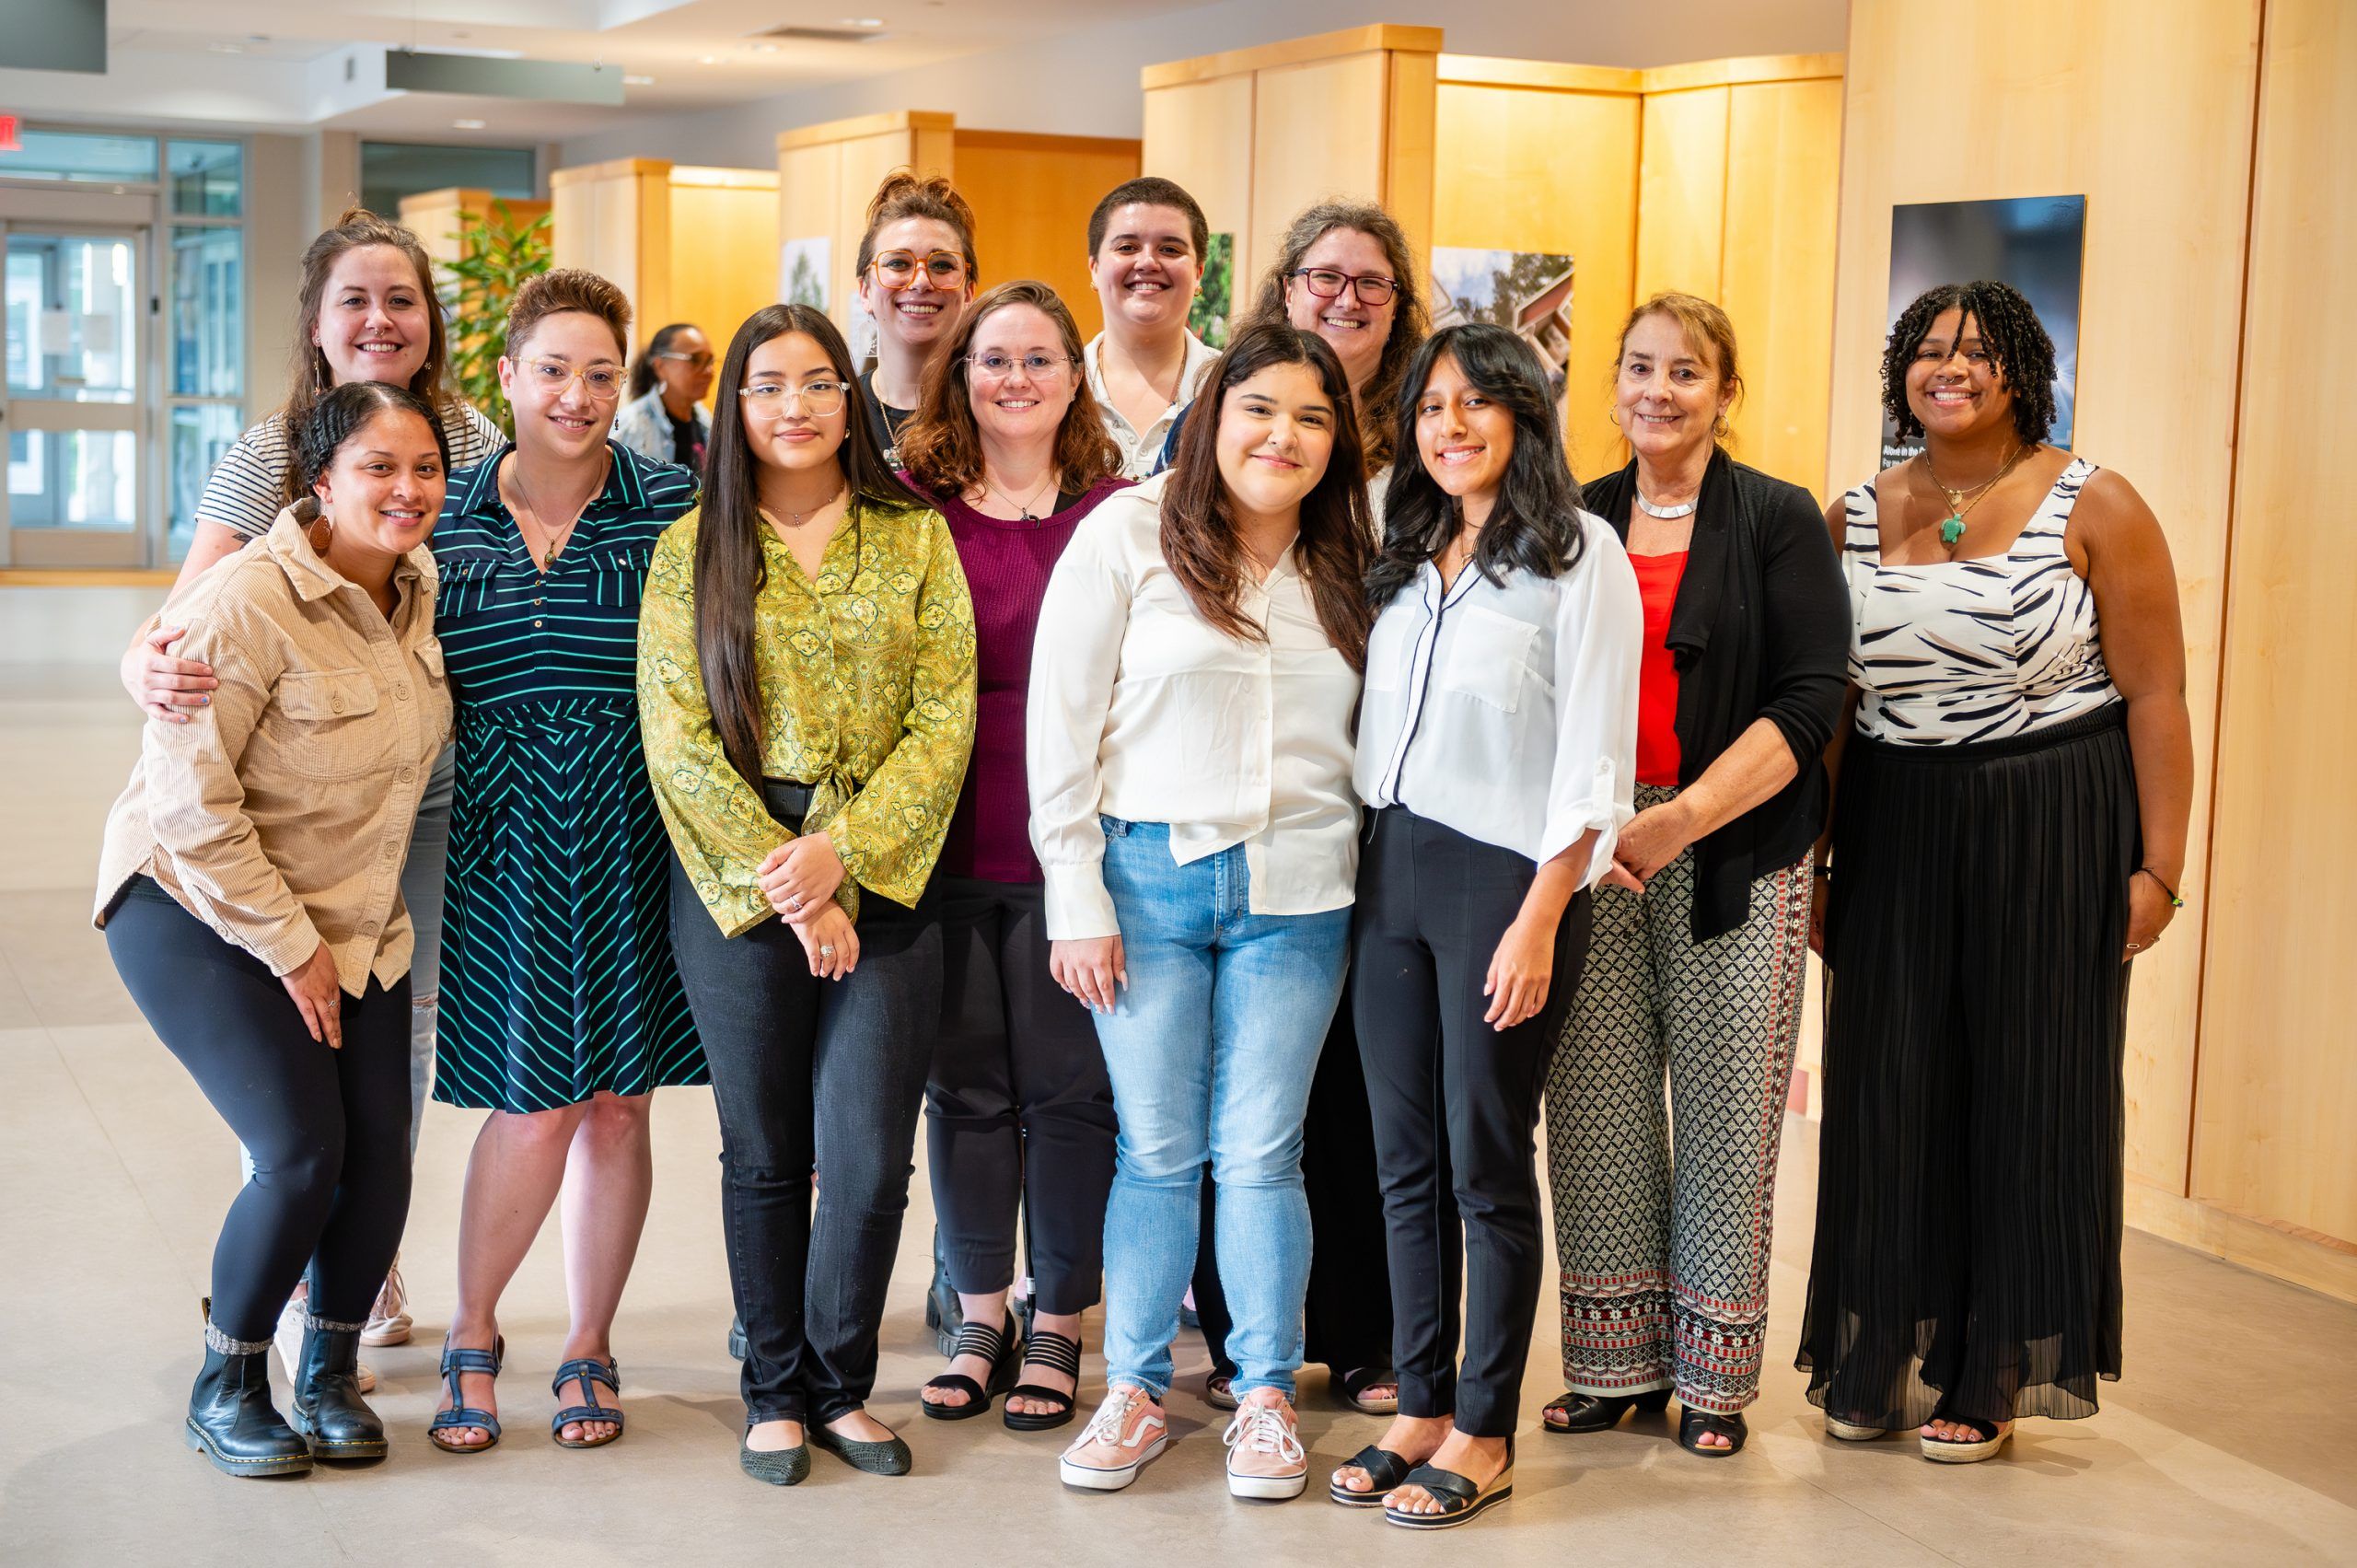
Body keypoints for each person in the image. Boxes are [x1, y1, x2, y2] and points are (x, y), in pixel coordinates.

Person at [1798, 281, 2193, 1463]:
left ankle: (1993, 1366)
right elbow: (1832, 709)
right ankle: (1876, 1348)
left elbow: (2157, 695)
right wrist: (1816, 860)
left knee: (2029, 1092)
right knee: (1886, 1089)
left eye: (1977, 350)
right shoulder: (1850, 514)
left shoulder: (2097, 501)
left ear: (2021, 368)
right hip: (1892, 823)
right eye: (1928, 350)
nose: (1950, 367)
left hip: (2051, 821)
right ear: (1899, 372)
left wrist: (2159, 867)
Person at [114, 207, 502, 1378]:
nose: (381, 320)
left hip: (421, 782)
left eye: (402, 299)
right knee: (295, 1072)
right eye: (355, 300)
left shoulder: (474, 440)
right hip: (294, 789)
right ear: (317, 322)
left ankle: (358, 1268)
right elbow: (188, 623)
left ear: (431, 319)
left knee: (396, 1051)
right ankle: (283, 1284)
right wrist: (141, 663)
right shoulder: (270, 448)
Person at [1031, 322, 1376, 1500]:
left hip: (1302, 889)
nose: (1284, 435)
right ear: (1213, 416)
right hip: (1145, 879)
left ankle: (1264, 1397)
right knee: (1158, 1149)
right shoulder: (1126, 531)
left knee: (1265, 1151)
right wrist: (1074, 893)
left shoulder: (1352, 558)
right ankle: (1133, 1388)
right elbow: (1059, 724)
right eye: (1259, 408)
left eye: (1313, 417)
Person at [638, 302, 977, 1485]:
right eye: (770, 384)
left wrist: (845, 854)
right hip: (740, 878)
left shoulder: (914, 536)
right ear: (735, 405)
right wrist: (793, 880)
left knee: (871, 1155)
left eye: (820, 382)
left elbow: (945, 716)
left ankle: (841, 1384)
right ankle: (774, 1389)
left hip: (887, 870)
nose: (797, 406)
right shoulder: (691, 547)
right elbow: (678, 739)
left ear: (851, 398)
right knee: (766, 1147)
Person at [94, 381, 453, 1477]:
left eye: (425, 468)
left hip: (353, 913)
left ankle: (329, 1373)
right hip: (193, 903)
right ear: (321, 481)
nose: (407, 489)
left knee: (381, 1154)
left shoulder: (419, 587)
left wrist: (324, 937)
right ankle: (230, 1381)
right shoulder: (244, 599)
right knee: (301, 1151)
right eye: (378, 467)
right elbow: (189, 806)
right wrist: (290, 946)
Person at [1331, 323, 1639, 1528]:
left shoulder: (1579, 553)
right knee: (1401, 1157)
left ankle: (1486, 1423)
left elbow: (1595, 756)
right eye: (1428, 407)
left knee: (1485, 1158)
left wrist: (1540, 915)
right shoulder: (1406, 553)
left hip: (1500, 877)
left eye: (1473, 403)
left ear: (1522, 413)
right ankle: (1419, 1401)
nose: (1448, 427)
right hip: (1386, 867)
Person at [1538, 294, 1848, 1458]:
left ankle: (1712, 1378)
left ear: (1724, 392)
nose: (1657, 391)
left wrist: (1683, 818)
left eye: (1684, 371)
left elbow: (1812, 695)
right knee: (1594, 1108)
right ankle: (1612, 1369)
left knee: (1727, 1116)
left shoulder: (1776, 515)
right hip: (1591, 851)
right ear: (1612, 383)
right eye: (1638, 367)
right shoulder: (1572, 517)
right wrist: (1593, 829)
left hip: (1737, 846)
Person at [423, 271, 703, 1455]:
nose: (576, 395)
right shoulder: (442, 513)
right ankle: (472, 1327)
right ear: (506, 375)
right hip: (496, 835)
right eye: (552, 370)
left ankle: (590, 1339)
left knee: (620, 1104)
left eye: (599, 373)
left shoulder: (673, 504)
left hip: (636, 832)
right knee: (532, 1101)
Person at [1188, 197, 1432, 1417]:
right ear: (1284, 289)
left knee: (1365, 1080)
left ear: (1399, 307)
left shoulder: (1427, 439)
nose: (1345, 297)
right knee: (1244, 1092)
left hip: (1387, 812)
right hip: (1250, 817)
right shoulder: (1232, 421)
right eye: (1324, 276)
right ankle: (1250, 1330)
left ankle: (1374, 1331)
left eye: (1370, 282)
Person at [895, 280, 1129, 1431]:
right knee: (966, 1088)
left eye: (1041, 358)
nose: (1017, 379)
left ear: (1075, 378)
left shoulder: (1121, 512)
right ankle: (980, 1309)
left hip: (1075, 852)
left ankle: (1061, 1319)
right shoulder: (912, 510)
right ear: (961, 376)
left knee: (1070, 1092)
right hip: (942, 846)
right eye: (994, 359)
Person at [1083, 177, 1217, 478]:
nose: (1147, 263)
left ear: (1198, 272)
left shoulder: (1232, 386)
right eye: (1127, 247)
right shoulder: (1058, 385)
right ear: (1095, 268)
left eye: (1169, 249)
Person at [855, 172, 979, 465]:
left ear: (969, 292)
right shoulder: (837, 412)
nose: (921, 282)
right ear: (865, 291)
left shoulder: (993, 411)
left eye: (942, 265)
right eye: (898, 263)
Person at [614, 321, 715, 470]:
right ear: (660, 366)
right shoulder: (630, 426)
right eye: (696, 359)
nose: (709, 371)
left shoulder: (705, 420)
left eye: (710, 361)